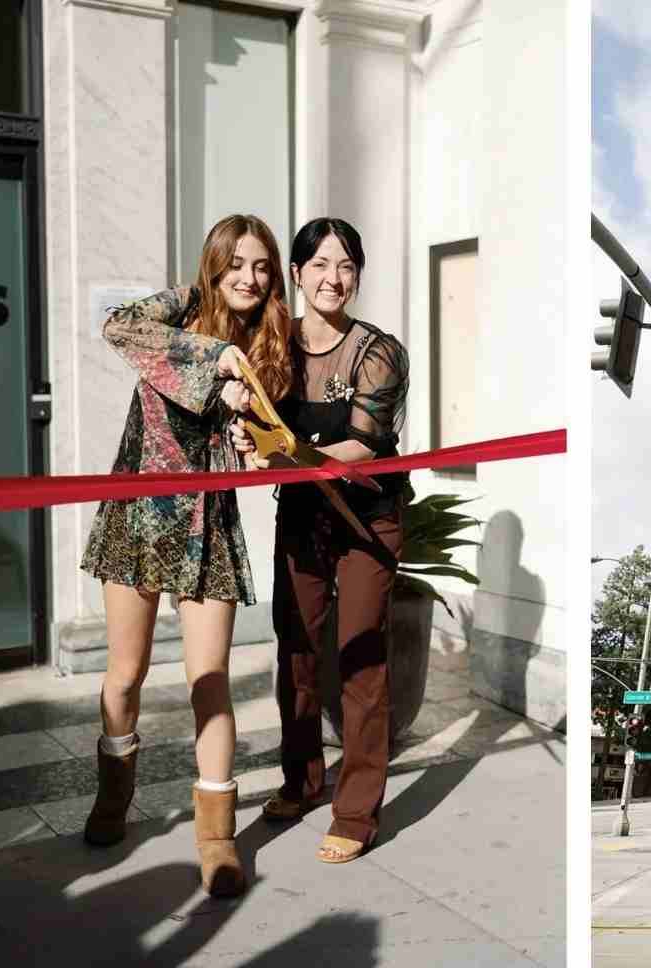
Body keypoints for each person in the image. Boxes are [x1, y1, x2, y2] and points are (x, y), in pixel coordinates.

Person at [79, 213, 294, 897]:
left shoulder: (268, 343)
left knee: (210, 678)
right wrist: (211, 356)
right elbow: (117, 326)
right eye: (238, 263)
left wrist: (249, 422)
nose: (250, 278)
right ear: (215, 263)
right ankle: (113, 796)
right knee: (126, 674)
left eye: (262, 267)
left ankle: (217, 840)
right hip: (138, 515)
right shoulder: (180, 315)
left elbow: (265, 439)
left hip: (209, 525)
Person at [231, 217, 409, 864]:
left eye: (347, 266)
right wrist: (249, 442)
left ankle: (358, 811)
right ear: (298, 274)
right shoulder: (270, 348)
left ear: (357, 276)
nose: (334, 278)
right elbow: (255, 422)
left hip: (368, 517)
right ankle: (301, 780)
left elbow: (364, 440)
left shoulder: (379, 351)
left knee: (361, 656)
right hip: (303, 515)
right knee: (297, 648)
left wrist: (288, 457)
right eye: (321, 265)